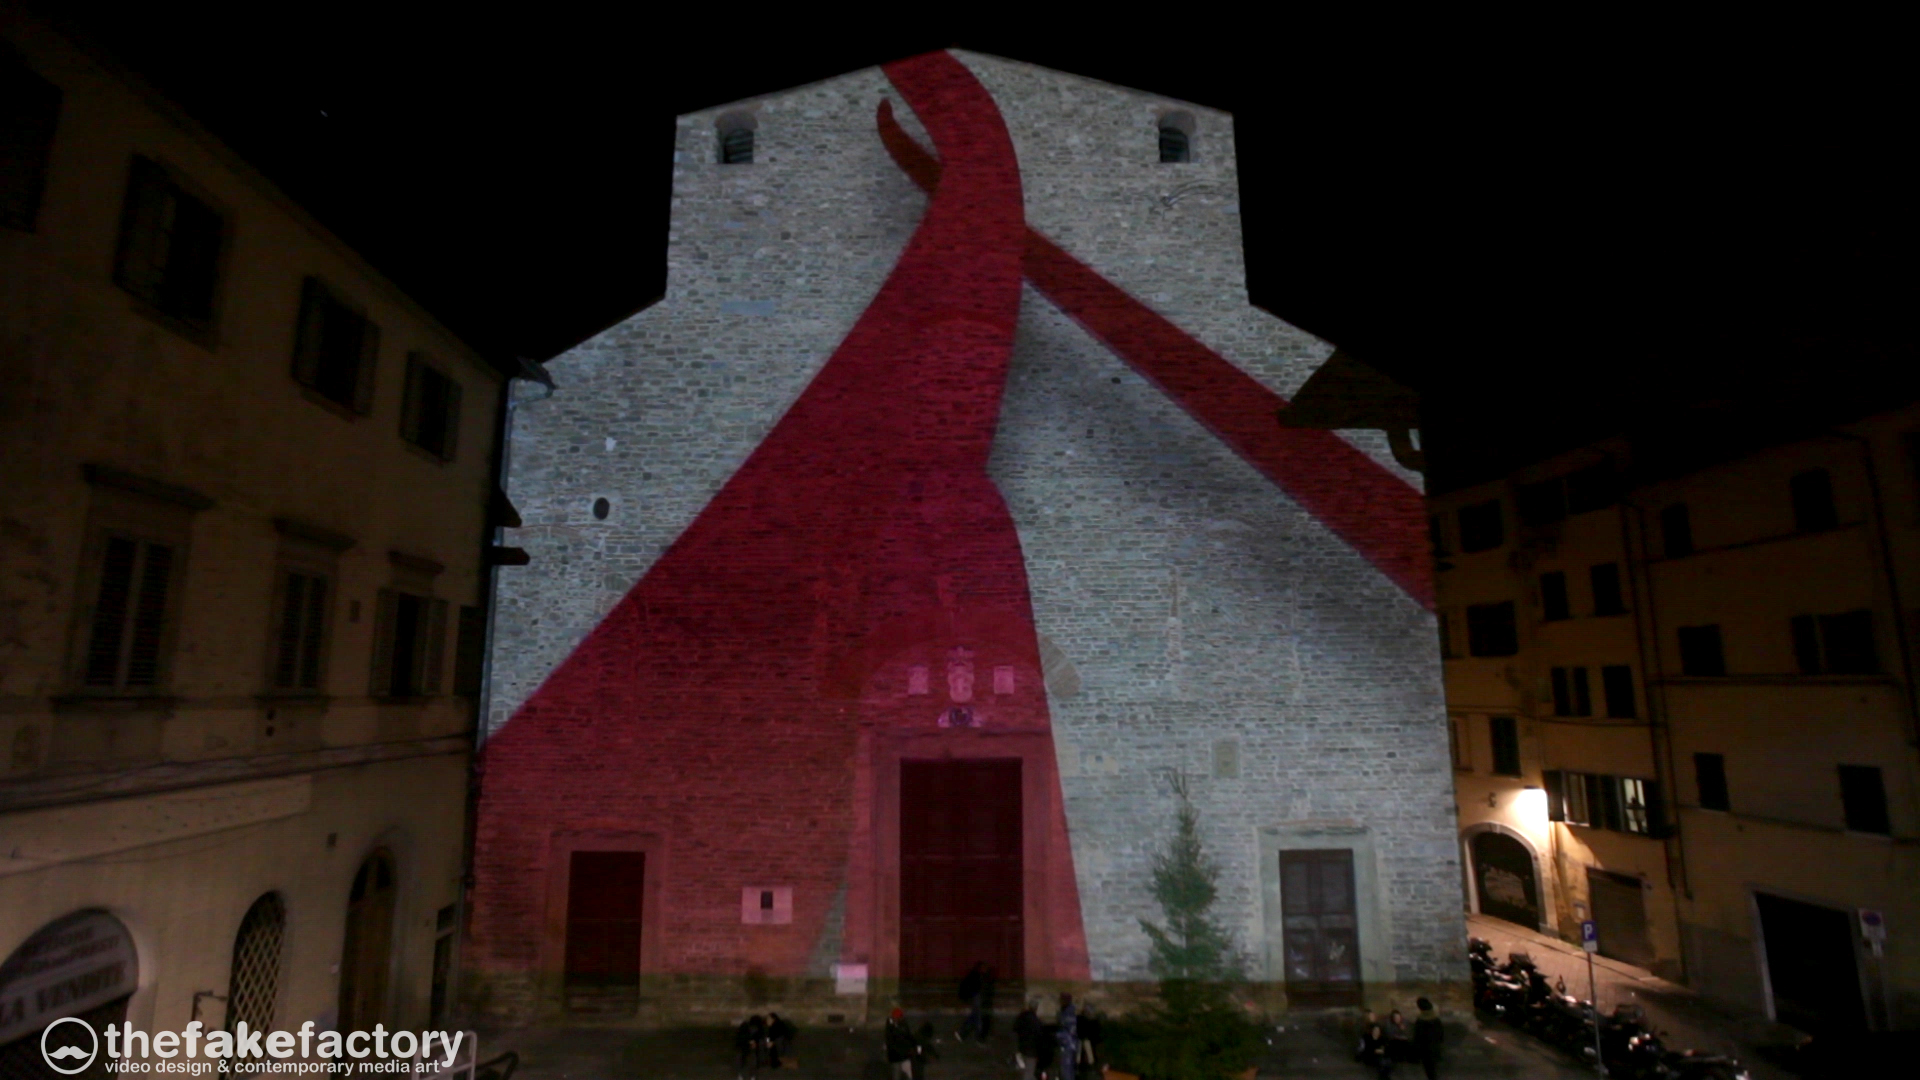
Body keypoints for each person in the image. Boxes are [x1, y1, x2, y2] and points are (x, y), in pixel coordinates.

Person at [1411, 997, 1444, 1080]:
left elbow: (1417, 1037)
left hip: (1425, 1050)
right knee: (1434, 1070)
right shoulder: (1436, 1019)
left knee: (1429, 1071)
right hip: (1435, 1048)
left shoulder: (1420, 1020)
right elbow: (1441, 1034)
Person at [957, 961, 989, 1042]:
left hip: (974, 997)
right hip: (975, 996)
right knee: (977, 1016)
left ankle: (962, 1032)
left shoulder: (975, 975)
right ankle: (977, 1035)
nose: (986, 970)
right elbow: (975, 988)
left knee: (975, 1016)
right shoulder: (976, 976)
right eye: (984, 968)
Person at [1013, 1000, 1043, 1080]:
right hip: (1031, 1051)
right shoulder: (1036, 1021)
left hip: (1022, 1048)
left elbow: (1015, 1029)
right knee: (1029, 1072)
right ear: (1036, 1008)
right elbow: (1039, 1036)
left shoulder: (1022, 1017)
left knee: (1024, 1071)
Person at [884, 1008, 917, 1080]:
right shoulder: (892, 1026)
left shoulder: (903, 1025)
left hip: (903, 1055)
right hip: (896, 1056)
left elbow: (908, 1037)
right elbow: (891, 1040)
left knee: (905, 1074)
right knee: (897, 1074)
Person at [1054, 994, 1079, 1080]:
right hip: (1067, 1046)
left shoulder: (1068, 1015)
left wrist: (1057, 1035)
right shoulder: (1065, 1013)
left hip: (1068, 1046)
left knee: (1067, 1071)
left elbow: (1069, 1032)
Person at [735, 1014, 767, 1080]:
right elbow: (741, 1037)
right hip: (744, 1046)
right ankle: (746, 1075)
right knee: (745, 1059)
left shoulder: (758, 1029)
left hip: (749, 1047)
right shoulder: (745, 1027)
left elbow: (763, 1038)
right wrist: (750, 1042)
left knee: (751, 1060)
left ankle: (749, 1075)